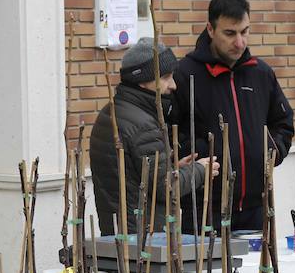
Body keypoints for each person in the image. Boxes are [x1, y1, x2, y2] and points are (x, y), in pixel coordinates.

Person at [173, 0, 294, 233]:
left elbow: (284, 123)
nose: (239, 42)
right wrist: (201, 155)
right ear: (210, 29)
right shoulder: (185, 74)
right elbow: (170, 133)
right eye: (230, 33)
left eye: (245, 32)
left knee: (256, 272)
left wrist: (271, 152)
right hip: (204, 209)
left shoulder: (261, 73)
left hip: (256, 207)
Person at [90, 37, 217, 237]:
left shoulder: (112, 112)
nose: (173, 85)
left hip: (119, 231)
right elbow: (166, 188)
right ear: (142, 80)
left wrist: (174, 169)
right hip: (142, 238)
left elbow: (138, 175)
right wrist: (200, 170)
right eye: (166, 77)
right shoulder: (142, 125)